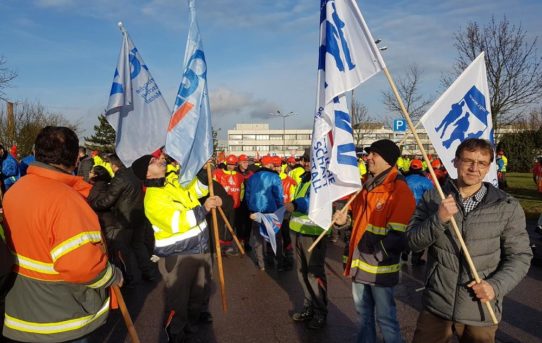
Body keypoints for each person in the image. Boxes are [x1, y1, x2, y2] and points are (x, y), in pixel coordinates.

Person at [2, 126, 122, 343]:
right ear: (76, 158)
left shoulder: (16, 190)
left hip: (22, 311)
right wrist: (113, 275)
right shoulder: (66, 200)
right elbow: (82, 266)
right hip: (61, 317)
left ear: (37, 152)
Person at [407, 138, 533, 343]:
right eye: (468, 161)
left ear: (489, 167)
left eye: (482, 163)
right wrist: (438, 219)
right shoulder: (433, 197)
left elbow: (520, 256)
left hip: (480, 310)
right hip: (437, 306)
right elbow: (412, 242)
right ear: (455, 162)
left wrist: (495, 286)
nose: (474, 168)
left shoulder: (506, 206)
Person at [131, 154, 222, 343]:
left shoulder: (172, 181)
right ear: (146, 173)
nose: (159, 160)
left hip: (200, 248)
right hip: (178, 257)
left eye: (158, 158)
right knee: (178, 303)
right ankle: (175, 334)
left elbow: (197, 190)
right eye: (153, 161)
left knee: (199, 295)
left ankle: (191, 327)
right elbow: (177, 222)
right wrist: (204, 209)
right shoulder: (152, 199)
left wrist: (205, 174)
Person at [334, 139, 416, 343]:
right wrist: (343, 221)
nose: (367, 157)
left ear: (387, 160)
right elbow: (355, 221)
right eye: (368, 154)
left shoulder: (399, 190)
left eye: (373, 154)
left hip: (379, 269)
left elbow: (399, 236)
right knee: (363, 317)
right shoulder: (364, 185)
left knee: (386, 319)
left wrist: (373, 256)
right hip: (359, 263)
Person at [88, 153, 158, 284]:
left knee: (123, 251)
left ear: (114, 165)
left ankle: (129, 278)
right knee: (139, 246)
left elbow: (107, 200)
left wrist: (92, 204)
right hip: (138, 216)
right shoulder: (135, 174)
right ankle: (149, 272)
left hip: (124, 219)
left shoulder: (120, 178)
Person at [286, 152, 329, 329]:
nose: (305, 163)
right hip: (297, 230)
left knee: (314, 274)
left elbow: (312, 201)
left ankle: (320, 311)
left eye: (309, 159)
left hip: (313, 233)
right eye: (304, 160)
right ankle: (309, 306)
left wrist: (295, 204)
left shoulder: (323, 180)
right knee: (302, 272)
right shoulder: (304, 178)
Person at [245, 155, 284, 271]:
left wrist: (251, 208)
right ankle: (278, 262)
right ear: (270, 164)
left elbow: (247, 195)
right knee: (274, 237)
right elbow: (278, 196)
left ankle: (262, 263)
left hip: (255, 212)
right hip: (271, 211)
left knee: (258, 238)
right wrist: (281, 210)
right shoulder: (274, 177)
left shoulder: (252, 178)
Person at [402, 159, 434, 265]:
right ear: (421, 168)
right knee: (419, 233)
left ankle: (405, 250)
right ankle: (416, 258)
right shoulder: (426, 181)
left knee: (406, 230)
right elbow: (432, 195)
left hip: (405, 210)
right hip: (420, 211)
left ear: (410, 168)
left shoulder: (405, 179)